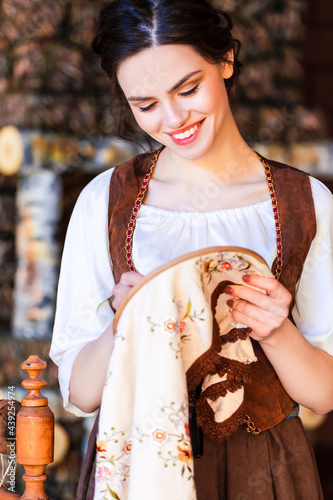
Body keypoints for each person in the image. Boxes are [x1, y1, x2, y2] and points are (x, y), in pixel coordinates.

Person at [49, 1, 333, 498]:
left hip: (264, 470)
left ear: (225, 60)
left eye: (188, 88)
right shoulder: (105, 201)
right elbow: (81, 393)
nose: (174, 118)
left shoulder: (304, 201)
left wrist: (276, 330)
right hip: (134, 462)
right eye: (146, 104)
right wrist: (125, 319)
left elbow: (324, 393)